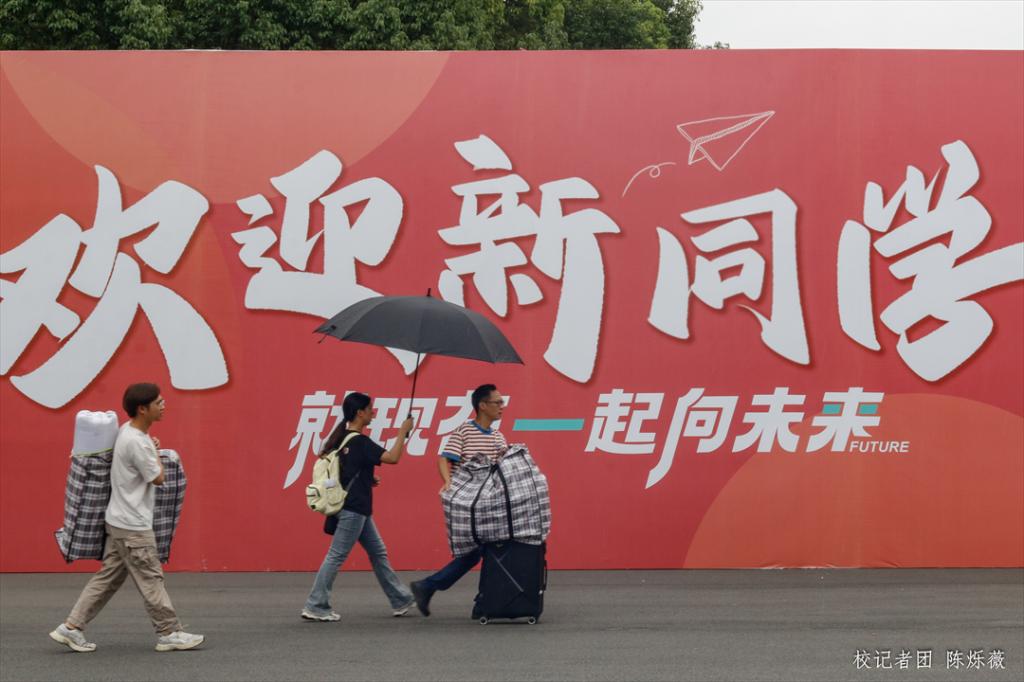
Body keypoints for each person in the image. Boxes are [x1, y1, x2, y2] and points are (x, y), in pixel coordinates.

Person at [49, 383, 204, 653]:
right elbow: (158, 477)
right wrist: (155, 452)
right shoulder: (137, 442)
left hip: (119, 521)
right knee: (151, 579)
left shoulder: (128, 432)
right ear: (142, 409)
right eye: (158, 402)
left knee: (107, 579)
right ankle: (169, 633)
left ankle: (71, 627)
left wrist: (151, 447)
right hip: (134, 527)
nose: (163, 405)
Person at [302, 392, 415, 621]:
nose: (373, 412)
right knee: (336, 556)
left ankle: (400, 599)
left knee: (378, 553)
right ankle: (316, 605)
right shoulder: (360, 442)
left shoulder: (342, 438)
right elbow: (393, 458)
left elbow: (345, 471)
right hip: (354, 509)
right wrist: (402, 432)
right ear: (360, 413)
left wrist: (367, 479)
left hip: (355, 508)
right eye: (370, 409)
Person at [410, 383, 508, 617]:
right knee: (485, 550)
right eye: (497, 402)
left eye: (502, 402)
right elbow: (444, 459)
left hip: (488, 504)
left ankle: (432, 588)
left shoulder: (498, 437)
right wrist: (448, 482)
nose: (502, 406)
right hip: (467, 504)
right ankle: (476, 600)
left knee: (481, 552)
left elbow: (505, 467)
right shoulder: (464, 431)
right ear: (482, 405)